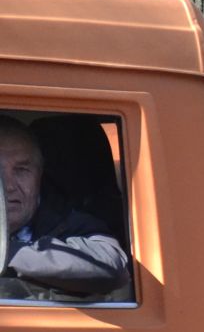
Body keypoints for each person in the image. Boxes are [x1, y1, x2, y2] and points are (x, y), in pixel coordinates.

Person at [0, 116, 130, 301]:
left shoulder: (65, 221)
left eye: (22, 170)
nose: (9, 185)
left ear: (40, 174)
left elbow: (111, 266)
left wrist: (7, 252)